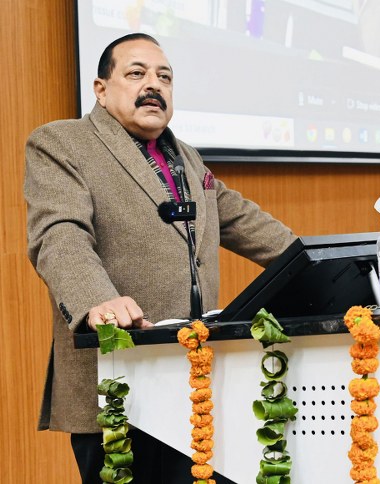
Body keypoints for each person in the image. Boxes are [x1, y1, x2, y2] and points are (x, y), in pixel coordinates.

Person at [24, 33, 296, 483]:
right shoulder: (62, 143)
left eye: (164, 77)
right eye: (136, 73)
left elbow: (247, 222)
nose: (154, 85)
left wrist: (319, 261)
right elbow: (59, 233)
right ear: (100, 89)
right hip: (120, 382)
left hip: (196, 384)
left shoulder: (187, 157)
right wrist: (97, 299)